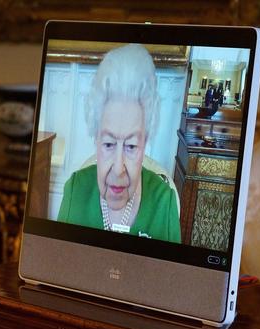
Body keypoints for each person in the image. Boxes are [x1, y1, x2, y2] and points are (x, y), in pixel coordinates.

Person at [57, 44, 181, 243]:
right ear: (96, 139)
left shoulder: (164, 201)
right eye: (108, 144)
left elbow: (174, 275)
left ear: (144, 143)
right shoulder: (75, 190)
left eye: (131, 146)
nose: (118, 169)